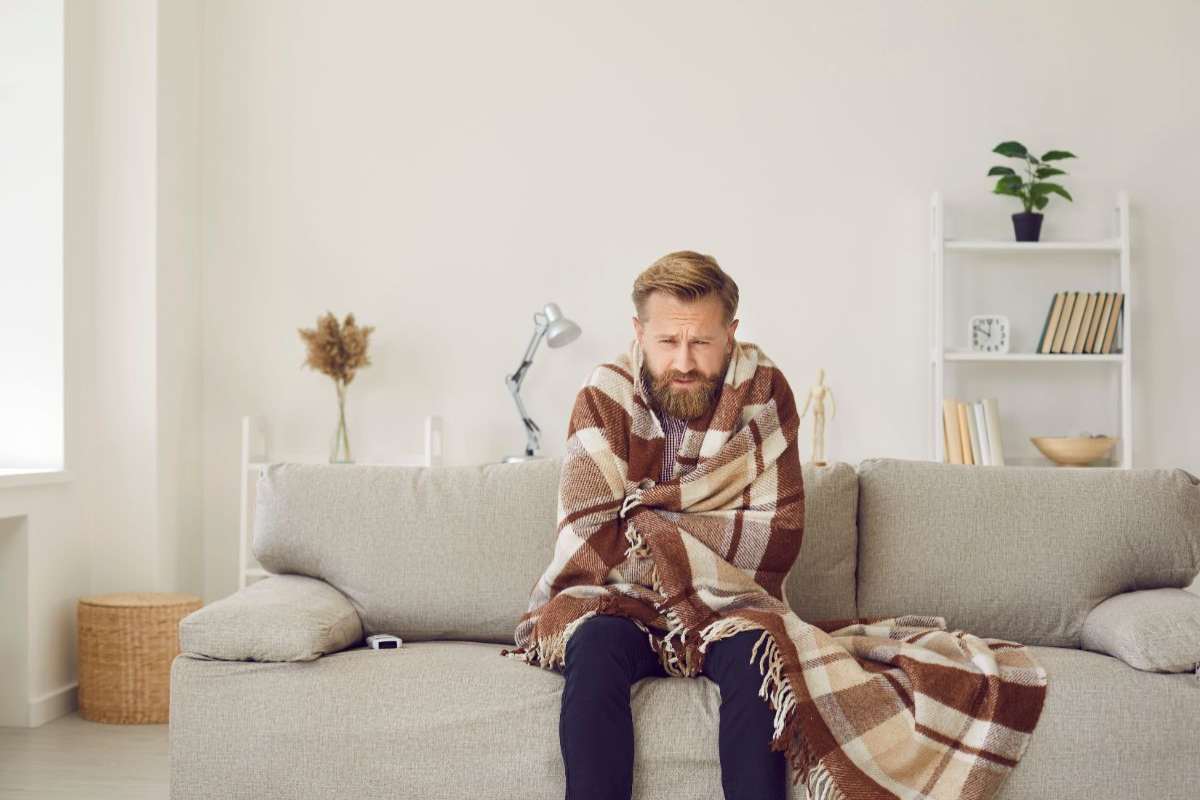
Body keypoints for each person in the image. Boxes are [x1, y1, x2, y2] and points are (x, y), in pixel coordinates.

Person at [558, 251, 788, 800]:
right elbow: (593, 533)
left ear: (730, 335)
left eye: (701, 342)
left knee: (761, 655)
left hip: (731, 603)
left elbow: (775, 534)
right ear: (639, 333)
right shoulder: (603, 395)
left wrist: (646, 518)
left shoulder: (764, 394)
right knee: (592, 645)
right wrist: (684, 536)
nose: (683, 362)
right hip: (624, 602)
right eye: (667, 341)